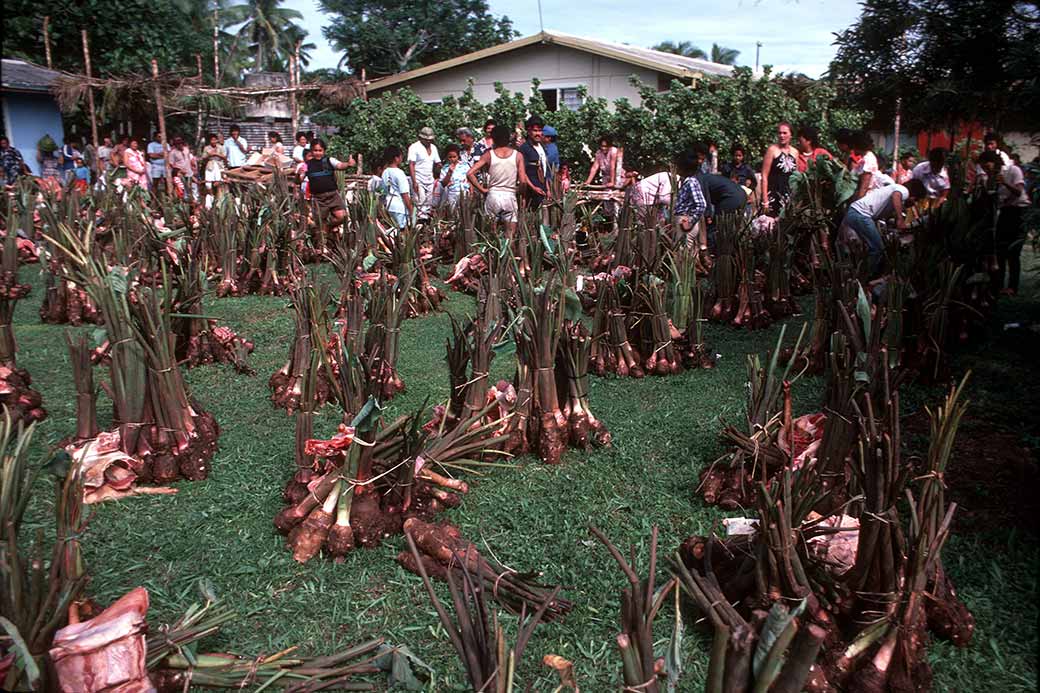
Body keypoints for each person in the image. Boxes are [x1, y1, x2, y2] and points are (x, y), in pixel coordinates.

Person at [467, 124, 540, 237]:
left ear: (494, 138)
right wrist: (520, 192)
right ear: (508, 138)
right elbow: (523, 181)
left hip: (493, 196)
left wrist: (482, 189)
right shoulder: (518, 155)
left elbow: (470, 173)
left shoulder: (488, 155)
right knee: (510, 235)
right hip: (510, 196)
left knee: (491, 236)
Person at [841, 179, 925, 275]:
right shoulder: (903, 190)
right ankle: (864, 276)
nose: (914, 203)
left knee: (861, 248)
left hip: (854, 212)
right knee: (877, 249)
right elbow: (896, 196)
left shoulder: (894, 188)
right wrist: (900, 220)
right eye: (916, 200)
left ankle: (855, 273)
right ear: (913, 195)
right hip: (861, 214)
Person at [992, 154, 1030, 296]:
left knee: (1013, 252)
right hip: (1005, 212)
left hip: (1019, 211)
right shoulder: (991, 177)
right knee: (1000, 250)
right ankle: (999, 286)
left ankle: (1012, 287)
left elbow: (1018, 192)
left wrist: (1004, 183)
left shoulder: (1014, 170)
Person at [303, 138, 355, 230]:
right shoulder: (307, 165)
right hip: (318, 198)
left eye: (320, 150)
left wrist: (348, 164)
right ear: (311, 151)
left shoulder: (329, 161)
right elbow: (299, 179)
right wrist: (299, 174)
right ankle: (322, 239)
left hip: (333, 195)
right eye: (315, 150)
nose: (318, 153)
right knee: (320, 222)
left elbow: (340, 165)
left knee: (342, 216)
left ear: (324, 151)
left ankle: (327, 227)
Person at [759, 122, 799, 215]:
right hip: (773, 194)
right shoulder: (772, 150)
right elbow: (764, 175)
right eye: (779, 133)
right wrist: (765, 200)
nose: (781, 136)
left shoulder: (795, 152)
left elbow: (796, 177)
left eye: (785, 133)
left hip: (788, 195)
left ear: (791, 135)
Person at [674, 150, 709, 250]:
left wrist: (690, 221)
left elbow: (701, 204)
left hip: (684, 221)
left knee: (683, 254)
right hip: (682, 221)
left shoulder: (691, 182)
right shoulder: (686, 181)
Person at [849, 131, 893, 201]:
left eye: (853, 146)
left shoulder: (868, 160)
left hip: (866, 199)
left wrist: (857, 204)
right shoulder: (864, 159)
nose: (852, 149)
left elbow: (864, 186)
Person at [407, 126, 440, 220]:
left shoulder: (433, 148)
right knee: (420, 201)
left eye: (430, 140)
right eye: (426, 139)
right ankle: (419, 221)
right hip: (418, 178)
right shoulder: (414, 147)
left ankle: (426, 222)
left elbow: (437, 163)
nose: (429, 141)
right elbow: (411, 165)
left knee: (429, 202)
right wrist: (414, 182)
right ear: (421, 138)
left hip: (430, 179)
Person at [518, 115, 550, 209]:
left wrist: (548, 189)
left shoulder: (542, 147)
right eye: (535, 131)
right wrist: (533, 187)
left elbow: (545, 169)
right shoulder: (524, 148)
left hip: (542, 190)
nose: (538, 133)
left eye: (540, 130)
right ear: (529, 131)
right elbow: (522, 172)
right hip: (530, 192)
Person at [380, 145, 414, 229]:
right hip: (400, 207)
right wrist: (411, 211)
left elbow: (383, 191)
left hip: (389, 206)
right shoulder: (399, 173)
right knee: (401, 231)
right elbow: (404, 194)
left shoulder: (385, 172)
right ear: (396, 158)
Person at [439, 143, 471, 209]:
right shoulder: (445, 168)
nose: (452, 159)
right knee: (453, 211)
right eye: (450, 157)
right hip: (452, 193)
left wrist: (471, 191)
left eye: (454, 157)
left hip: (464, 192)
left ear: (458, 156)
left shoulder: (464, 166)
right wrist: (449, 172)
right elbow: (443, 183)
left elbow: (470, 179)